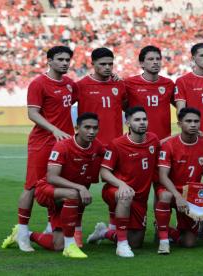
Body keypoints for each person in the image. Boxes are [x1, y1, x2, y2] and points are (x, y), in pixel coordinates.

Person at [2, 46, 78, 252]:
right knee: (32, 186)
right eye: (60, 59)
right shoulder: (38, 84)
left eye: (67, 60)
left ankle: (51, 226)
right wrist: (54, 129)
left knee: (57, 185)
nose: (64, 63)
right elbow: (33, 114)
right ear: (49, 61)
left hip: (63, 144)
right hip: (42, 142)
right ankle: (23, 231)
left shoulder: (71, 85)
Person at [2, 112, 105, 258]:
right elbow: (51, 177)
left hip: (65, 198)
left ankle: (26, 235)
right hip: (47, 190)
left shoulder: (97, 146)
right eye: (87, 127)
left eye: (95, 128)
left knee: (57, 245)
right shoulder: (62, 146)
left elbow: (111, 159)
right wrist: (80, 187)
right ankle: (70, 246)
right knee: (74, 194)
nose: (91, 132)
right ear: (77, 128)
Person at [86, 106, 159, 258]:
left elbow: (166, 147)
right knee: (125, 196)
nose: (142, 123)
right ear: (128, 123)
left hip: (140, 199)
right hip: (115, 191)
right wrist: (122, 184)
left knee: (137, 243)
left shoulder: (153, 140)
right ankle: (121, 245)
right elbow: (104, 172)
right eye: (137, 120)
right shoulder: (117, 144)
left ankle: (104, 232)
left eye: (144, 119)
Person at [75, 48, 126, 247]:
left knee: (115, 189)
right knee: (81, 189)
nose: (107, 67)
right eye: (103, 64)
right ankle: (76, 232)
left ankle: (111, 230)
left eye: (110, 64)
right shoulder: (81, 86)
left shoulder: (119, 85)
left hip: (114, 147)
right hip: (90, 147)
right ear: (93, 64)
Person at [154, 107, 203, 254]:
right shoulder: (169, 145)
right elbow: (163, 176)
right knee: (165, 196)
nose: (193, 124)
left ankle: (166, 229)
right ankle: (163, 241)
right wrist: (178, 196)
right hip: (170, 190)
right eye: (188, 121)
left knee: (189, 243)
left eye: (196, 121)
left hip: (191, 193)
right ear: (180, 124)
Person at [124, 45, 175, 140]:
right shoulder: (129, 83)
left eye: (158, 59)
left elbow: (181, 106)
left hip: (164, 139)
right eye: (151, 59)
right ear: (142, 63)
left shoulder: (169, 84)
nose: (155, 62)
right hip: (139, 140)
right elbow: (123, 106)